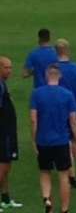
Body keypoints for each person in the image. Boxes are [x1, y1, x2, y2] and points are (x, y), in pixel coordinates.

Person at [30, 64, 76, 213]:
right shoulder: (67, 94)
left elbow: (34, 119)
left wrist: (34, 139)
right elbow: (73, 121)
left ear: (46, 76)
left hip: (43, 140)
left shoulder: (37, 94)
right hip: (61, 141)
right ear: (59, 76)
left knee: (45, 172)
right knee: (63, 176)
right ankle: (64, 209)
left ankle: (47, 199)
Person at [55, 38, 76, 189]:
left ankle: (71, 173)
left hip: (60, 111)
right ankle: (72, 172)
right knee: (75, 139)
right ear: (67, 50)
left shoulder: (53, 69)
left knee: (66, 141)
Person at [0, 57, 23, 211]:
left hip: (7, 132)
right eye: (6, 67)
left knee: (6, 166)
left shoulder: (3, 84)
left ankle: (5, 198)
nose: (10, 70)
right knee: (3, 166)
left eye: (11, 67)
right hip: (3, 133)